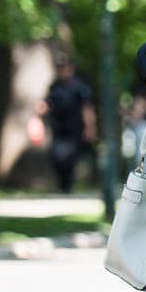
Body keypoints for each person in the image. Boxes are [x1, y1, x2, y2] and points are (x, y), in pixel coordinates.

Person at [40, 56, 96, 193]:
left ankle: (67, 187)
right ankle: (62, 185)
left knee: (69, 157)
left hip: (74, 128)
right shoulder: (54, 86)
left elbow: (87, 108)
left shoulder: (79, 86)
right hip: (58, 128)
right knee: (56, 157)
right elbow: (46, 104)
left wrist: (90, 127)